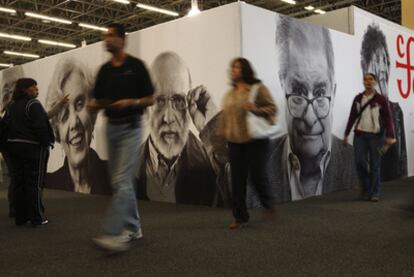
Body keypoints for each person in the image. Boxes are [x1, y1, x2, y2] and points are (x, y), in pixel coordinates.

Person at [261, 16, 358, 204]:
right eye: (297, 92)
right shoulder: (258, 166)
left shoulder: (358, 166)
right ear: (283, 88)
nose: (310, 117)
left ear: (333, 93)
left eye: (321, 93)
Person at [88, 23, 155, 252]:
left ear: (122, 39)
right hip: (112, 128)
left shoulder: (136, 67)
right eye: (104, 36)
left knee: (121, 181)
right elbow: (96, 100)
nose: (106, 40)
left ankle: (114, 233)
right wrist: (93, 105)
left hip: (131, 127)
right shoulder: (104, 70)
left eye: (110, 36)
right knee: (121, 182)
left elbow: (151, 98)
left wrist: (132, 102)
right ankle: (134, 227)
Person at [136, 51, 228, 206]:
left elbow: (243, 192)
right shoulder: (128, 166)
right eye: (159, 101)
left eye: (178, 101)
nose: (168, 118)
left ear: (190, 104)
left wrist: (213, 125)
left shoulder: (213, 164)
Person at [219, 57, 277, 229]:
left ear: (245, 69)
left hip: (256, 140)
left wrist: (256, 109)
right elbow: (226, 117)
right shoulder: (229, 94)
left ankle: (268, 205)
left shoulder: (257, 88)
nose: (233, 70)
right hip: (235, 142)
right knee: (237, 181)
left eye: (237, 67)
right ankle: (240, 217)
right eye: (232, 67)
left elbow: (272, 108)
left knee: (257, 176)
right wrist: (223, 136)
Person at [45, 57, 111, 195]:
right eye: (64, 114)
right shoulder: (49, 186)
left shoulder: (117, 180)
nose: (74, 122)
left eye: (80, 104)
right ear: (57, 130)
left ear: (93, 114)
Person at [360, 23, 407, 181]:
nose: (381, 68)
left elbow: (402, 161)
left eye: (384, 60)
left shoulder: (396, 111)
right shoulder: (365, 107)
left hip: (395, 189)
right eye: (376, 61)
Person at [7, 78, 54, 227]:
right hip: (33, 149)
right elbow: (40, 126)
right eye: (34, 87)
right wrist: (47, 143)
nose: (37, 90)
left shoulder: (11, 106)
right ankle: (37, 218)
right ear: (25, 90)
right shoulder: (33, 104)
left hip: (13, 148)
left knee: (19, 183)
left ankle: (21, 218)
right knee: (35, 183)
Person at [344, 73, 394, 202]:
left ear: (375, 82)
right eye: (365, 79)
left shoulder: (381, 99)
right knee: (359, 162)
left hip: (376, 137)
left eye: (370, 79)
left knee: (375, 164)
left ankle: (375, 192)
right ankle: (367, 187)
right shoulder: (358, 98)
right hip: (360, 135)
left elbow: (388, 118)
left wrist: (389, 135)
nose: (367, 81)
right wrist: (346, 133)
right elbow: (352, 117)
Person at [0, 65, 24, 218]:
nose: (9, 91)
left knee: (15, 177)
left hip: (9, 146)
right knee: (16, 177)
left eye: (13, 86)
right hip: (9, 147)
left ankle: (15, 208)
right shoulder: (11, 108)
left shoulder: (12, 108)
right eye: (6, 87)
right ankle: (15, 208)